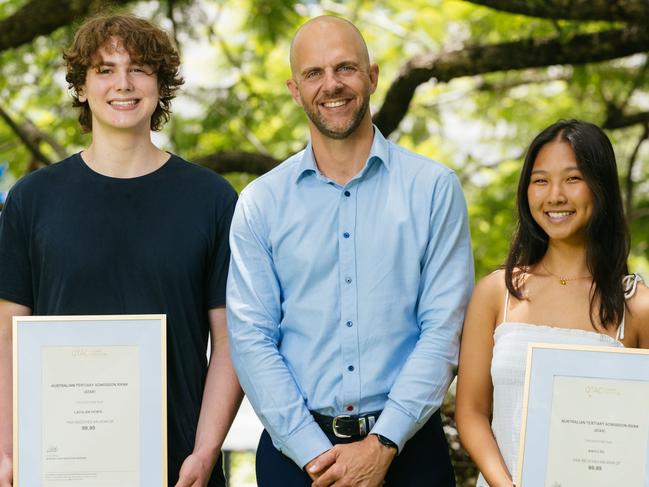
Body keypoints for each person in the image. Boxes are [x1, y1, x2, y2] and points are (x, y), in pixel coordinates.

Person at [227, 15, 474, 487]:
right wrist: (315, 455)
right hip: (294, 459)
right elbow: (252, 339)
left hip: (410, 451)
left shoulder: (434, 190)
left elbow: (443, 329)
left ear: (372, 76)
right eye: (313, 73)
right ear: (294, 90)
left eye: (345, 68)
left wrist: (382, 445)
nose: (331, 85)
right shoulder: (259, 203)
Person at [0, 13, 242, 487]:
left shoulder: (212, 198)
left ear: (161, 83)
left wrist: (205, 451)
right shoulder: (32, 199)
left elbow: (231, 343)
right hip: (57, 466)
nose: (123, 84)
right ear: (81, 86)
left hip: (181, 468)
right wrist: (7, 451)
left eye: (140, 68)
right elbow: (7, 338)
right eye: (105, 69)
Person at [455, 119, 649, 487]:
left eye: (573, 179)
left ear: (601, 187)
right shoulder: (498, 293)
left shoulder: (635, 305)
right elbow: (471, 412)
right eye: (540, 180)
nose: (554, 195)